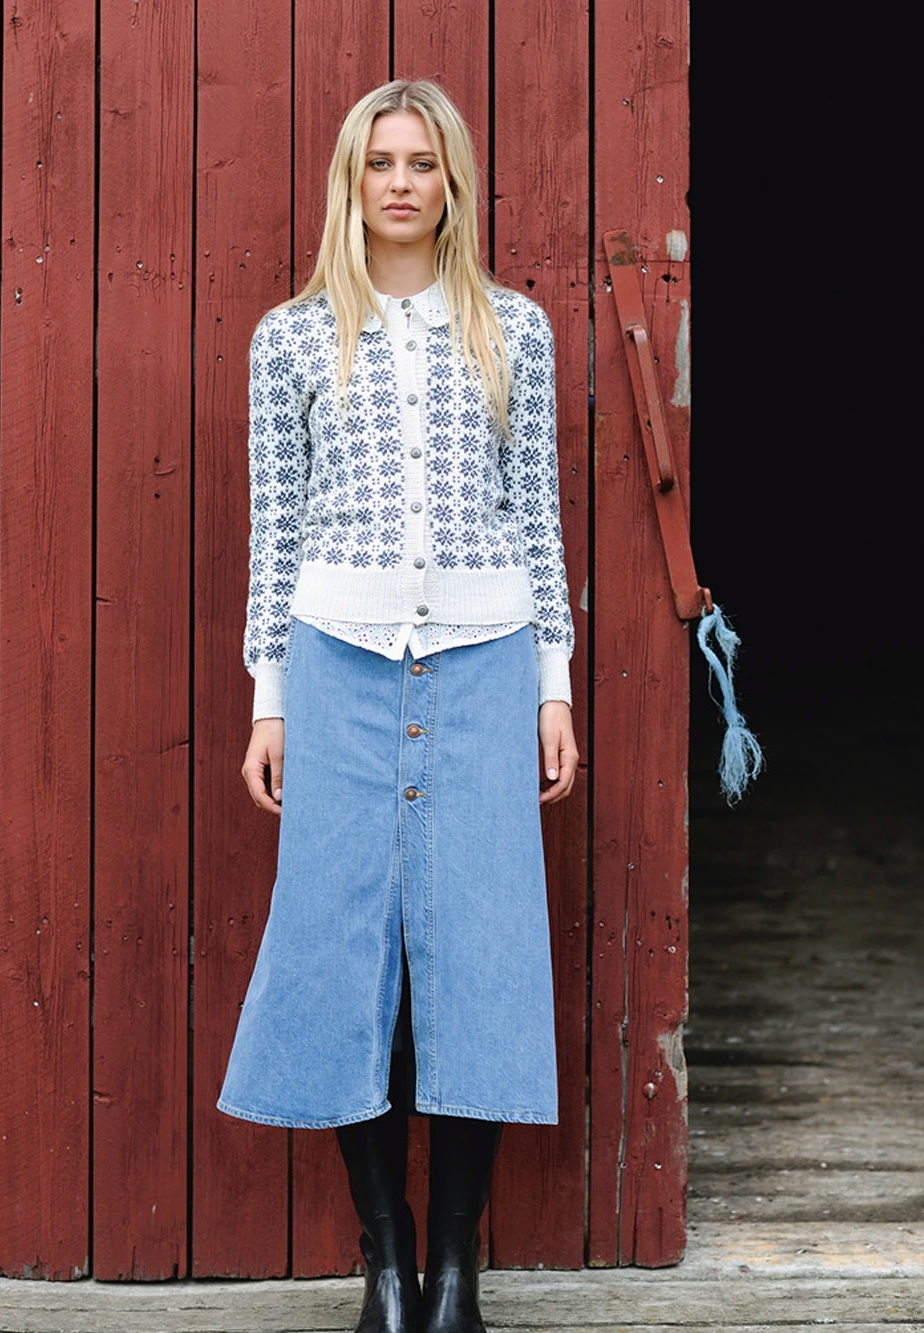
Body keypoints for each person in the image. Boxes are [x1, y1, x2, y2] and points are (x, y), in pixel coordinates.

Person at [218, 79, 578, 1333]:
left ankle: (457, 1268)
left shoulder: (513, 330)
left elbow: (536, 519)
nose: (401, 184)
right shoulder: (293, 338)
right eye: (381, 163)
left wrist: (551, 686)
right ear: (351, 181)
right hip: (338, 664)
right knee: (341, 950)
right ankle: (386, 1258)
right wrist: (270, 700)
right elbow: (275, 533)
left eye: (423, 163)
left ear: (453, 183)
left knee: (478, 951)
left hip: (484, 659)